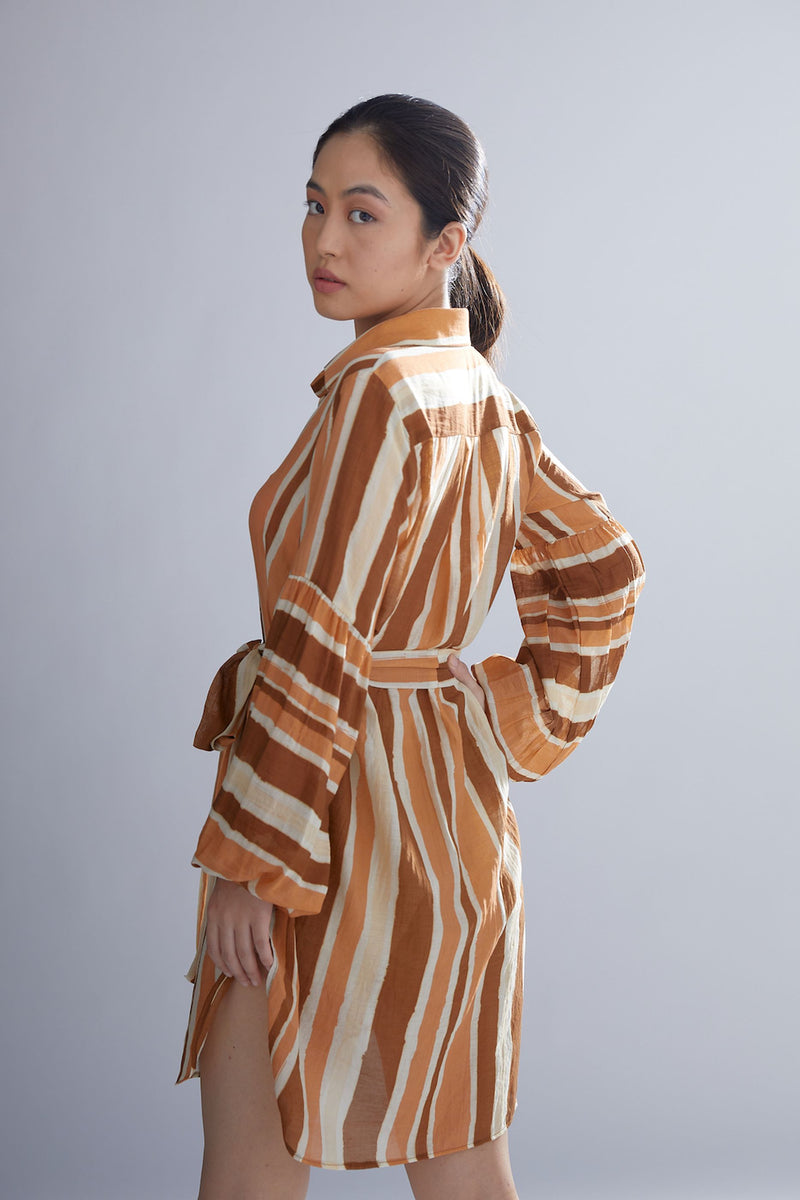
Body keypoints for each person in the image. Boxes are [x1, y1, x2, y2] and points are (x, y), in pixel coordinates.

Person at [176, 94, 646, 1200]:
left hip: (328, 823)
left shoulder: (381, 395)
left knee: (249, 1166)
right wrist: (497, 719)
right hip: (455, 817)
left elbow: (319, 638)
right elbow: (606, 568)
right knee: (463, 1161)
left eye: (362, 213)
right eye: (313, 206)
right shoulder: (480, 391)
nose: (325, 240)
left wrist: (249, 867)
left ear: (447, 243)